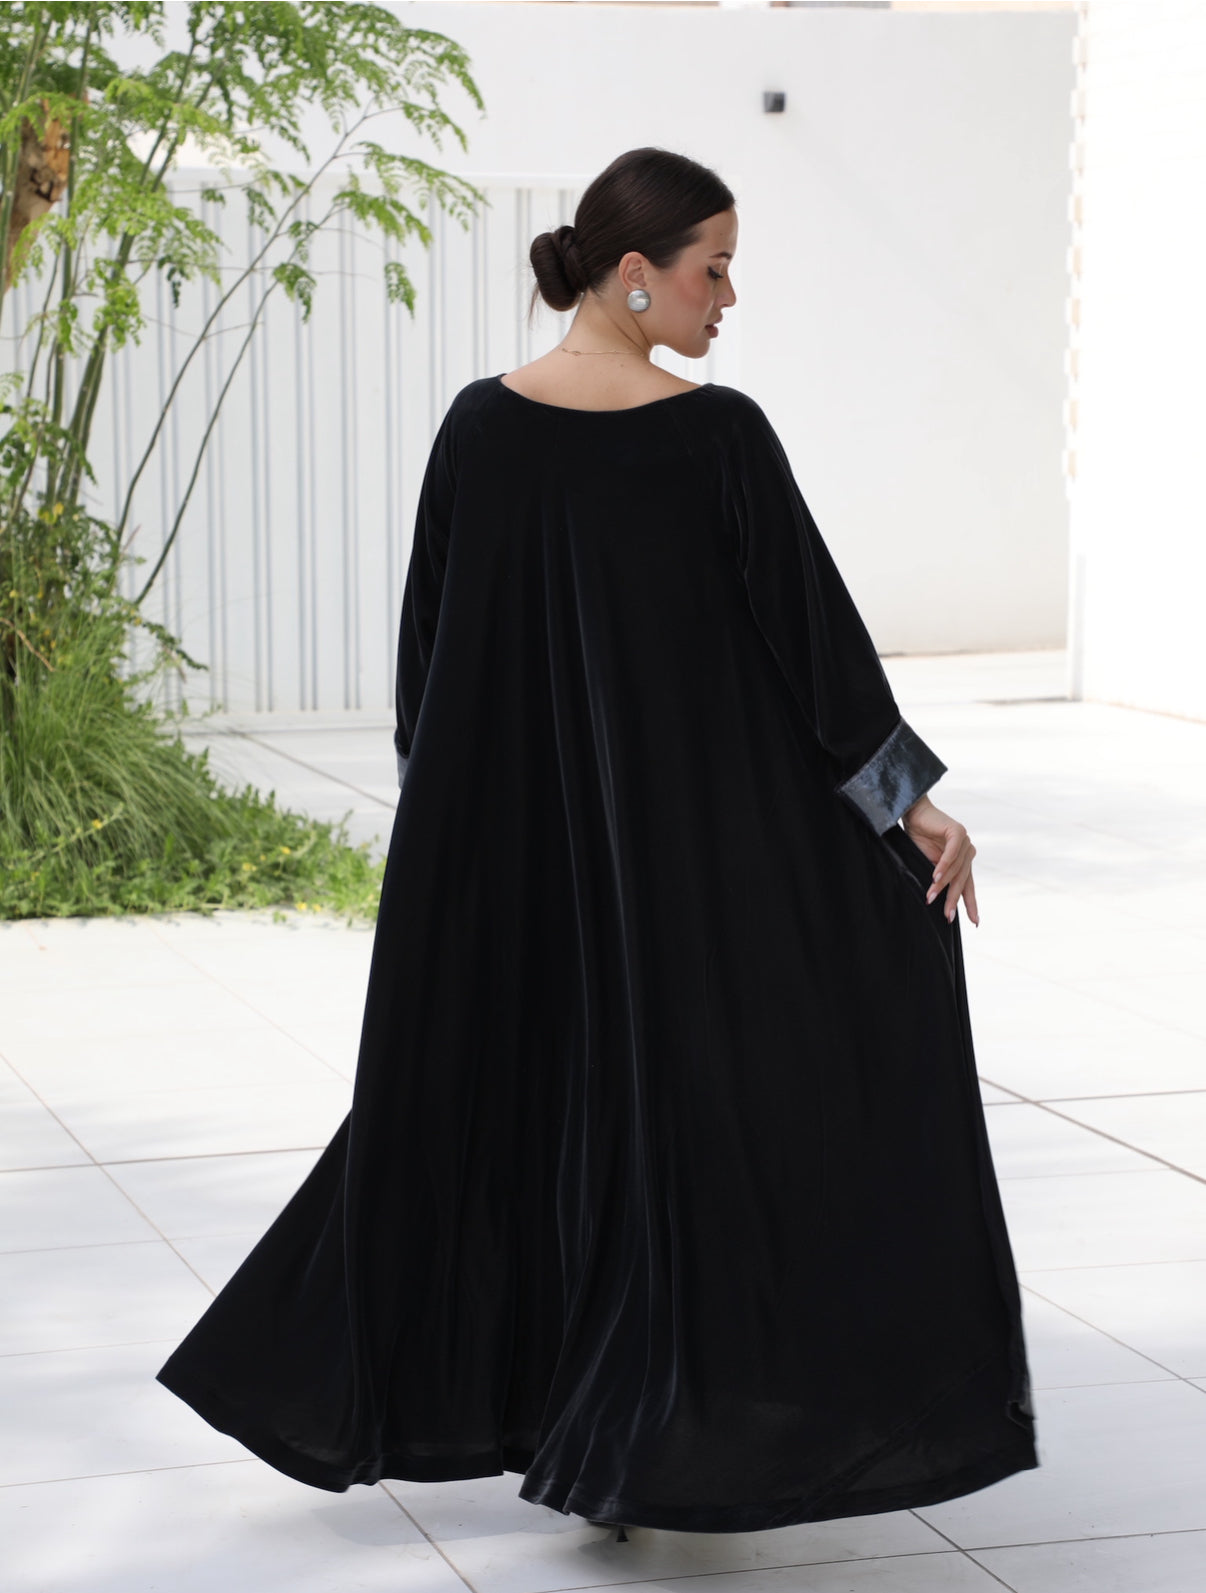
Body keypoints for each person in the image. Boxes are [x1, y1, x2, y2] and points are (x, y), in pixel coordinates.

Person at [156, 146, 1039, 1539]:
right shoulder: (713, 437)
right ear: (636, 273)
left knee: (538, 1116)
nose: (728, 297)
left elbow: (428, 673)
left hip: (507, 865)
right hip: (671, 867)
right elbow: (814, 655)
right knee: (667, 1115)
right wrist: (901, 802)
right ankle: (627, 1428)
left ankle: (600, 1426)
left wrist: (455, 842)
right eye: (713, 269)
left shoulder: (484, 428)